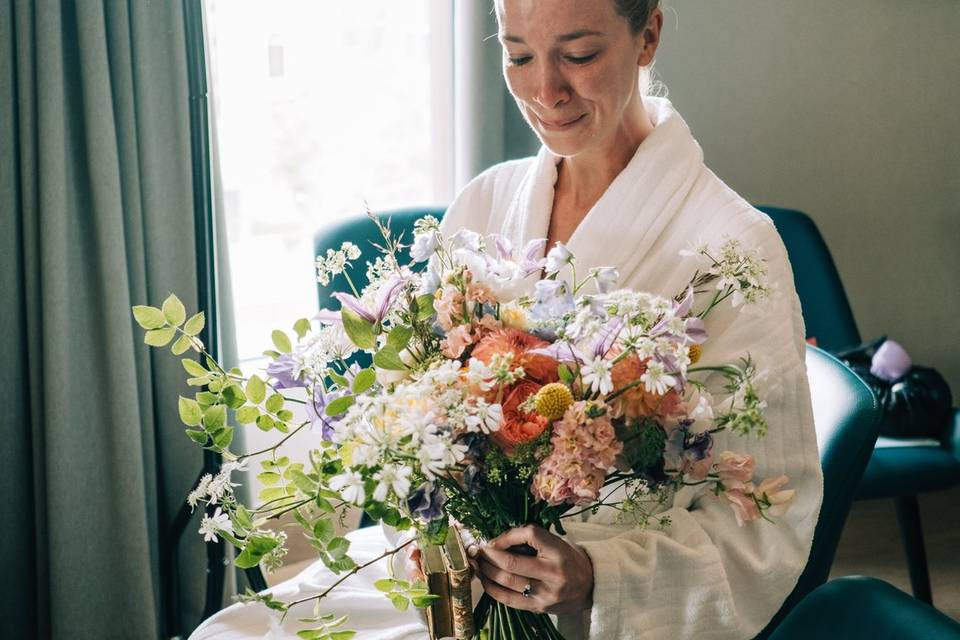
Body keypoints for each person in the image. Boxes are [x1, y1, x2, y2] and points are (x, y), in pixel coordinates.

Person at [191, 1, 823, 638]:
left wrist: (596, 577)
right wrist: (433, 524)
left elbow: (766, 524)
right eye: (518, 56)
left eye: (578, 55)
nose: (545, 90)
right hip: (459, 585)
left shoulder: (733, 244)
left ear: (648, 34)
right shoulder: (487, 200)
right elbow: (428, 414)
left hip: (607, 611)